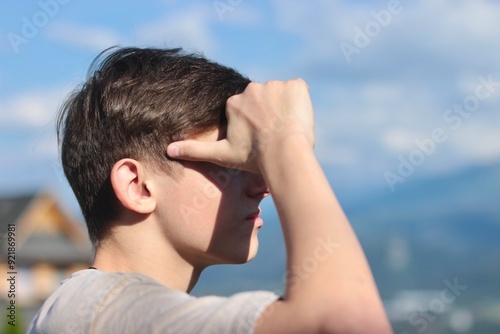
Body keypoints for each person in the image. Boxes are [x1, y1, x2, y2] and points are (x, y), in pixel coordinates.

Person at [28, 47, 393, 333]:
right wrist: (284, 143)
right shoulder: (93, 310)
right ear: (137, 186)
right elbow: (345, 323)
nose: (263, 185)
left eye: (255, 161)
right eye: (229, 164)